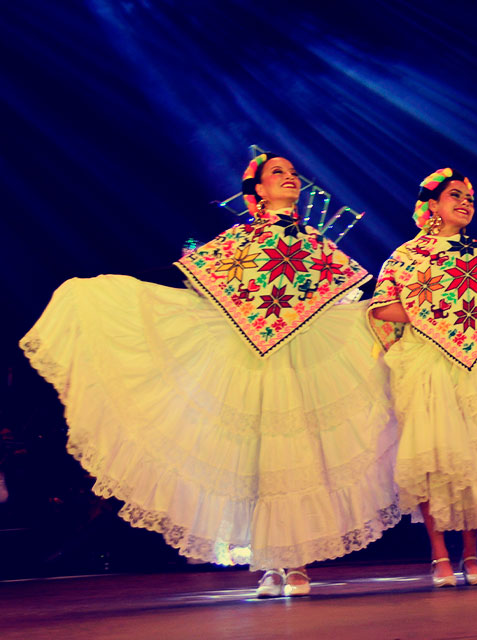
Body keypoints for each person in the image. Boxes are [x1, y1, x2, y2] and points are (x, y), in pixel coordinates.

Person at [20, 147, 401, 597]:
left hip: (304, 359)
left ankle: (294, 562)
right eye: (278, 172)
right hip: (249, 360)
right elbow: (212, 294)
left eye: (294, 172)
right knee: (257, 463)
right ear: (257, 189)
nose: (290, 178)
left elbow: (337, 300)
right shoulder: (239, 240)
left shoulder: (316, 242)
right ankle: (270, 563)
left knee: (297, 454)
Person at [367, 168, 477, 587]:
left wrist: (467, 308)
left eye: (469, 197)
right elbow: (381, 307)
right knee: (433, 459)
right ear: (431, 205)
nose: (465, 202)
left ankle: (472, 554)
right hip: (427, 362)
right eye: (455, 195)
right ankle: (439, 554)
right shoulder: (406, 255)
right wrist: (434, 311)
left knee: (475, 456)